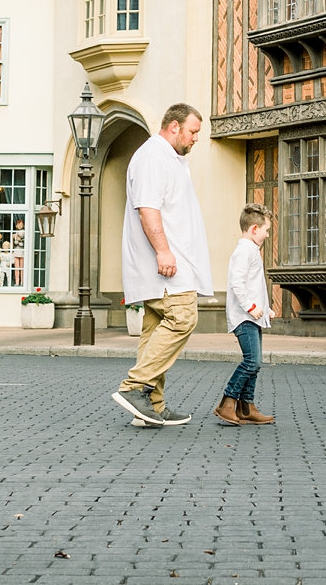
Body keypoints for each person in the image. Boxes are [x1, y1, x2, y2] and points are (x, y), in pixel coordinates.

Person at [111, 103, 215, 428]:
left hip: (168, 265)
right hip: (165, 266)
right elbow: (148, 208)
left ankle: (150, 407)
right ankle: (133, 387)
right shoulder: (153, 156)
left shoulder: (170, 158)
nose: (196, 138)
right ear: (174, 126)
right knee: (183, 316)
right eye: (193, 132)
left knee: (155, 327)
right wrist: (163, 251)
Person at [214, 203, 276, 426]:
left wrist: (264, 308)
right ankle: (226, 404)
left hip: (253, 316)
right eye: (267, 230)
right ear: (254, 229)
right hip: (244, 317)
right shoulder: (243, 251)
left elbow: (253, 285)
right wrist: (250, 307)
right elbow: (237, 284)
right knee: (252, 361)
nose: (268, 235)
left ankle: (246, 406)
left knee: (255, 363)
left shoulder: (250, 251)